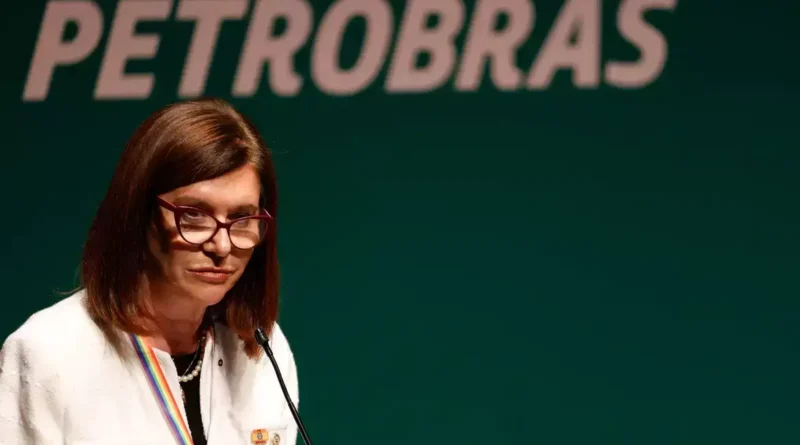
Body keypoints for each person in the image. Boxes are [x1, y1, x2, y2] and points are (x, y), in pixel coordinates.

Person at [0, 98, 299, 445]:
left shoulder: (262, 346)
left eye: (242, 218)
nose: (221, 246)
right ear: (139, 214)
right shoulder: (48, 352)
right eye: (194, 215)